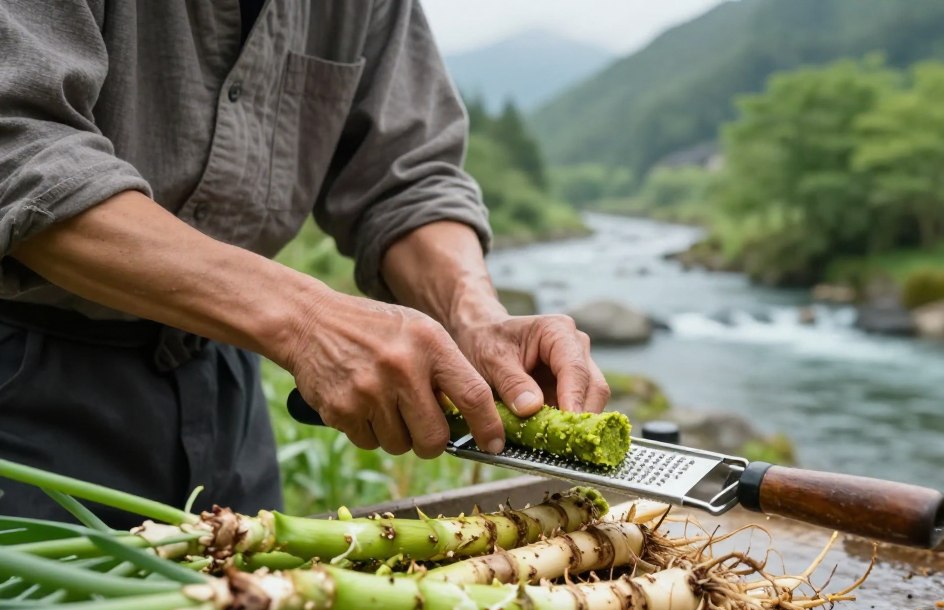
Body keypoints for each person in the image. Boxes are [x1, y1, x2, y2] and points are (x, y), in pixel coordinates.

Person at [0, 0, 610, 526]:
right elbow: (22, 146)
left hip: (224, 378)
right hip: (25, 384)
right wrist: (306, 321)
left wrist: (473, 317)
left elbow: (407, 179)